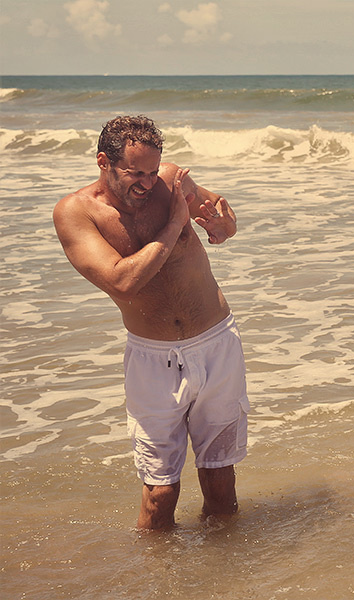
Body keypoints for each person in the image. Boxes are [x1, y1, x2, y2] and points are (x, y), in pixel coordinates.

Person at [53, 115, 249, 530]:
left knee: (220, 482)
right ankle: (154, 582)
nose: (147, 182)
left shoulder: (172, 182)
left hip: (216, 342)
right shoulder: (76, 213)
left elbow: (225, 221)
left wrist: (221, 226)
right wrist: (176, 222)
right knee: (160, 494)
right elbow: (123, 281)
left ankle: (226, 579)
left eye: (152, 171)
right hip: (153, 359)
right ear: (104, 162)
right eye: (134, 173)